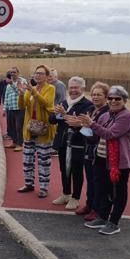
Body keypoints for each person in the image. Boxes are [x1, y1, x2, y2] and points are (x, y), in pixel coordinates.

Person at [79, 86, 130, 235]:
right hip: (101, 158)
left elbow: (110, 134)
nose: (113, 101)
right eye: (110, 98)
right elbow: (96, 135)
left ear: (125, 100)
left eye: (118, 99)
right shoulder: (105, 116)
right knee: (103, 189)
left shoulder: (127, 116)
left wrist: (91, 124)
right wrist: (84, 126)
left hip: (119, 162)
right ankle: (103, 217)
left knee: (118, 193)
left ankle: (114, 222)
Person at [49, 77, 93, 210]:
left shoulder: (88, 105)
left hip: (78, 143)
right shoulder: (64, 102)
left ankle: (76, 197)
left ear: (82, 88)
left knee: (76, 171)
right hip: (63, 142)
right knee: (64, 169)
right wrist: (57, 114)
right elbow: (52, 120)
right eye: (71, 87)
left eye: (76, 88)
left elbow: (79, 122)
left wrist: (64, 114)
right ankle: (66, 193)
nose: (73, 90)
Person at [17, 65, 56, 198]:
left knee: (43, 160)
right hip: (30, 129)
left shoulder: (50, 89)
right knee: (27, 159)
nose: (37, 75)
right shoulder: (31, 89)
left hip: (43, 130)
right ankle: (29, 184)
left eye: (40, 73)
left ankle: (44, 188)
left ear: (46, 76)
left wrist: (33, 92)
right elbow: (22, 106)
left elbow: (46, 103)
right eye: (36, 73)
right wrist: (22, 95)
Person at [76, 82, 110, 221]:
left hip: (99, 150)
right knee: (90, 179)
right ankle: (89, 205)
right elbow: (85, 125)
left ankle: (97, 209)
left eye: (99, 95)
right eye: (94, 94)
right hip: (88, 148)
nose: (95, 97)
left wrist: (86, 127)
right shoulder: (90, 109)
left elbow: (98, 131)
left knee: (98, 182)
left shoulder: (106, 112)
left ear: (106, 97)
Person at [3, 67, 26, 152]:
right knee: (11, 127)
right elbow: (6, 96)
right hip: (11, 108)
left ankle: (20, 144)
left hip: (19, 108)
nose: (12, 74)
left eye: (14, 72)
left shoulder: (22, 81)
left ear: (18, 73)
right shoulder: (9, 84)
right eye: (11, 72)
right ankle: (14, 142)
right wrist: (5, 108)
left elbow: (20, 93)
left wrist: (12, 84)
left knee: (18, 127)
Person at [48, 69, 67, 155]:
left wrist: (57, 110)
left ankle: (55, 148)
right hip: (51, 109)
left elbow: (61, 99)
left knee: (57, 129)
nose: (49, 78)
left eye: (51, 76)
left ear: (56, 77)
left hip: (57, 110)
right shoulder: (49, 85)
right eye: (48, 76)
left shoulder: (59, 85)